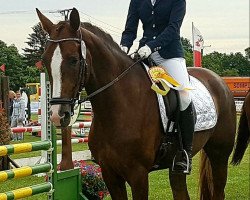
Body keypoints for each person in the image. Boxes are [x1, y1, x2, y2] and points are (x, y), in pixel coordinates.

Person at [120, 0, 195, 174]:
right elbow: (130, 28)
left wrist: (152, 46)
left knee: (184, 96)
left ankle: (185, 153)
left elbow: (173, 29)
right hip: (142, 54)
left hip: (169, 55)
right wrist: (124, 45)